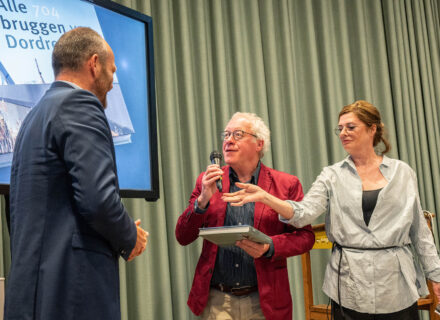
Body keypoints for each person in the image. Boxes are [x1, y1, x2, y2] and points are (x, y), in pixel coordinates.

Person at [223, 100, 440, 319]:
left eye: (350, 127)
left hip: (396, 287)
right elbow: (302, 214)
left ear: (372, 129)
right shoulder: (332, 175)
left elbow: (419, 230)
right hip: (349, 287)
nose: (343, 133)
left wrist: (435, 275)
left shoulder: (403, 172)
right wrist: (266, 197)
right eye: (340, 128)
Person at [4, 27, 148, 320]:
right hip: (71, 292)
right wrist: (130, 235)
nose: (111, 83)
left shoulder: (33, 117)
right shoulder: (80, 104)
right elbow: (97, 199)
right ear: (94, 64)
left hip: (32, 292)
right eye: (111, 70)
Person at [175, 112, 315, 320]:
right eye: (226, 135)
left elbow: (305, 237)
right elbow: (183, 236)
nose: (228, 141)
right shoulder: (208, 182)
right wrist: (202, 200)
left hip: (265, 300)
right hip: (217, 300)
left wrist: (270, 247)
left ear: (259, 144)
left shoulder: (286, 184)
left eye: (238, 134)